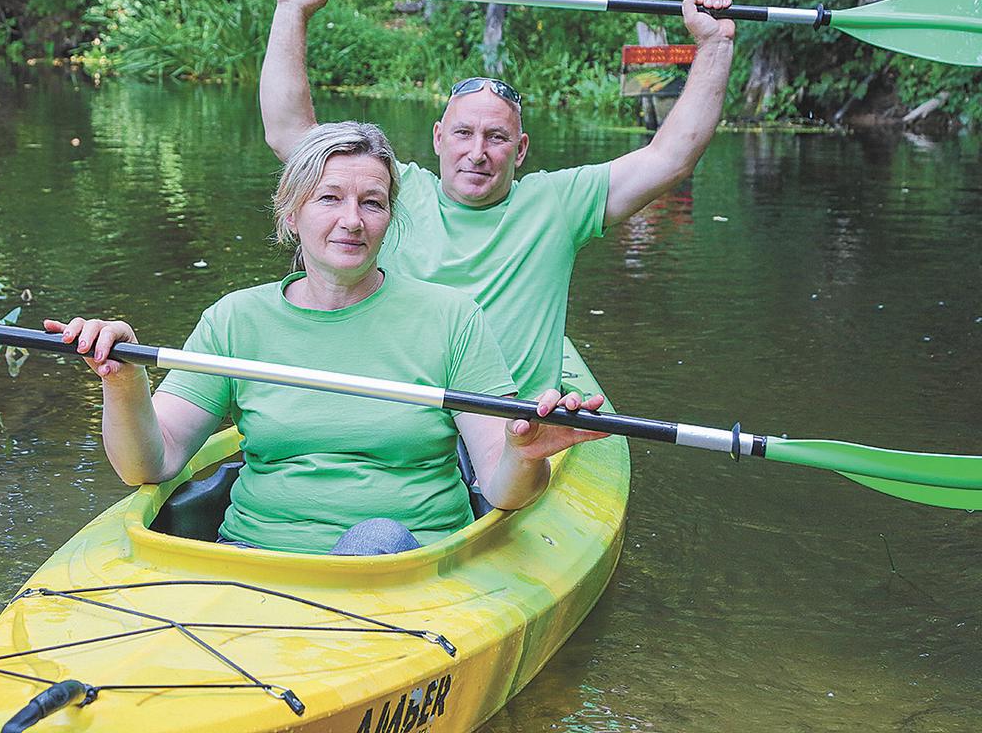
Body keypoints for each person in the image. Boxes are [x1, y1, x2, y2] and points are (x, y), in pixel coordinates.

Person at [44, 122, 607, 556]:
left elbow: (503, 488)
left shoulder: (452, 318)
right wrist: (124, 380)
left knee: (374, 538)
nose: (353, 220)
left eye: (372, 203)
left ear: (389, 218)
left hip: (400, 566)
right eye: (329, 198)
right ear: (292, 214)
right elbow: (151, 463)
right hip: (253, 563)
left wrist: (524, 452)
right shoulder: (236, 320)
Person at [260, 0, 736, 395]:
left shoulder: (558, 204)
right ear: (438, 139)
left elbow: (671, 157)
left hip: (507, 426)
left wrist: (714, 45)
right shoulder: (386, 193)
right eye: (463, 133)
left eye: (497, 137)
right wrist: (292, 11)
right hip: (405, 414)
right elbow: (289, 133)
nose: (478, 153)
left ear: (521, 149)